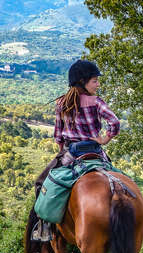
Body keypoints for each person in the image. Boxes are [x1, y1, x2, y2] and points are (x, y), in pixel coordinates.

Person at [34, 59, 120, 196]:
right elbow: (114, 122)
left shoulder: (61, 103)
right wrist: (105, 139)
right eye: (95, 81)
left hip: (71, 153)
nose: (98, 84)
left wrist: (61, 153)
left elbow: (58, 136)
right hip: (96, 152)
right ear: (82, 81)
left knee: (40, 183)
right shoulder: (96, 102)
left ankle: (37, 217)